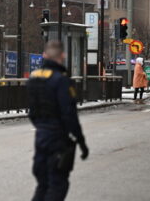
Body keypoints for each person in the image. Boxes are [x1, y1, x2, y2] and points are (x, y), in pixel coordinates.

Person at [27, 40, 88, 201]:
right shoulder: (61, 81)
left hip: (40, 137)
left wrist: (41, 126)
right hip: (58, 139)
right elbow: (69, 115)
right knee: (58, 184)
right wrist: (81, 141)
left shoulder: (34, 79)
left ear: (45, 56)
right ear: (62, 56)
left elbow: (32, 112)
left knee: (43, 184)